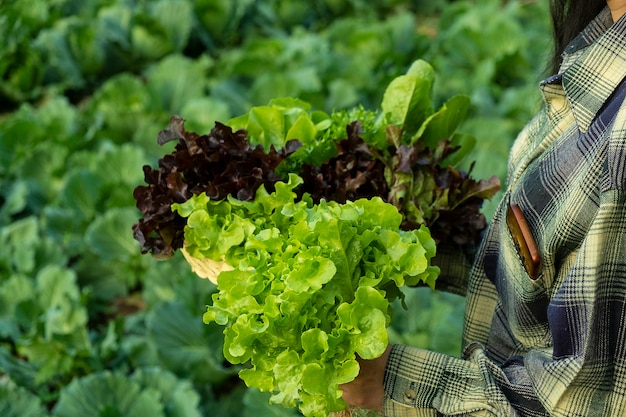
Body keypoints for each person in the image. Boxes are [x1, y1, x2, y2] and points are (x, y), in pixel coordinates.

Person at [340, 1, 626, 415]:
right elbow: (558, 258)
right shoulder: (605, 35)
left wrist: (386, 380)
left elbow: (591, 403)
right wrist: (402, 243)